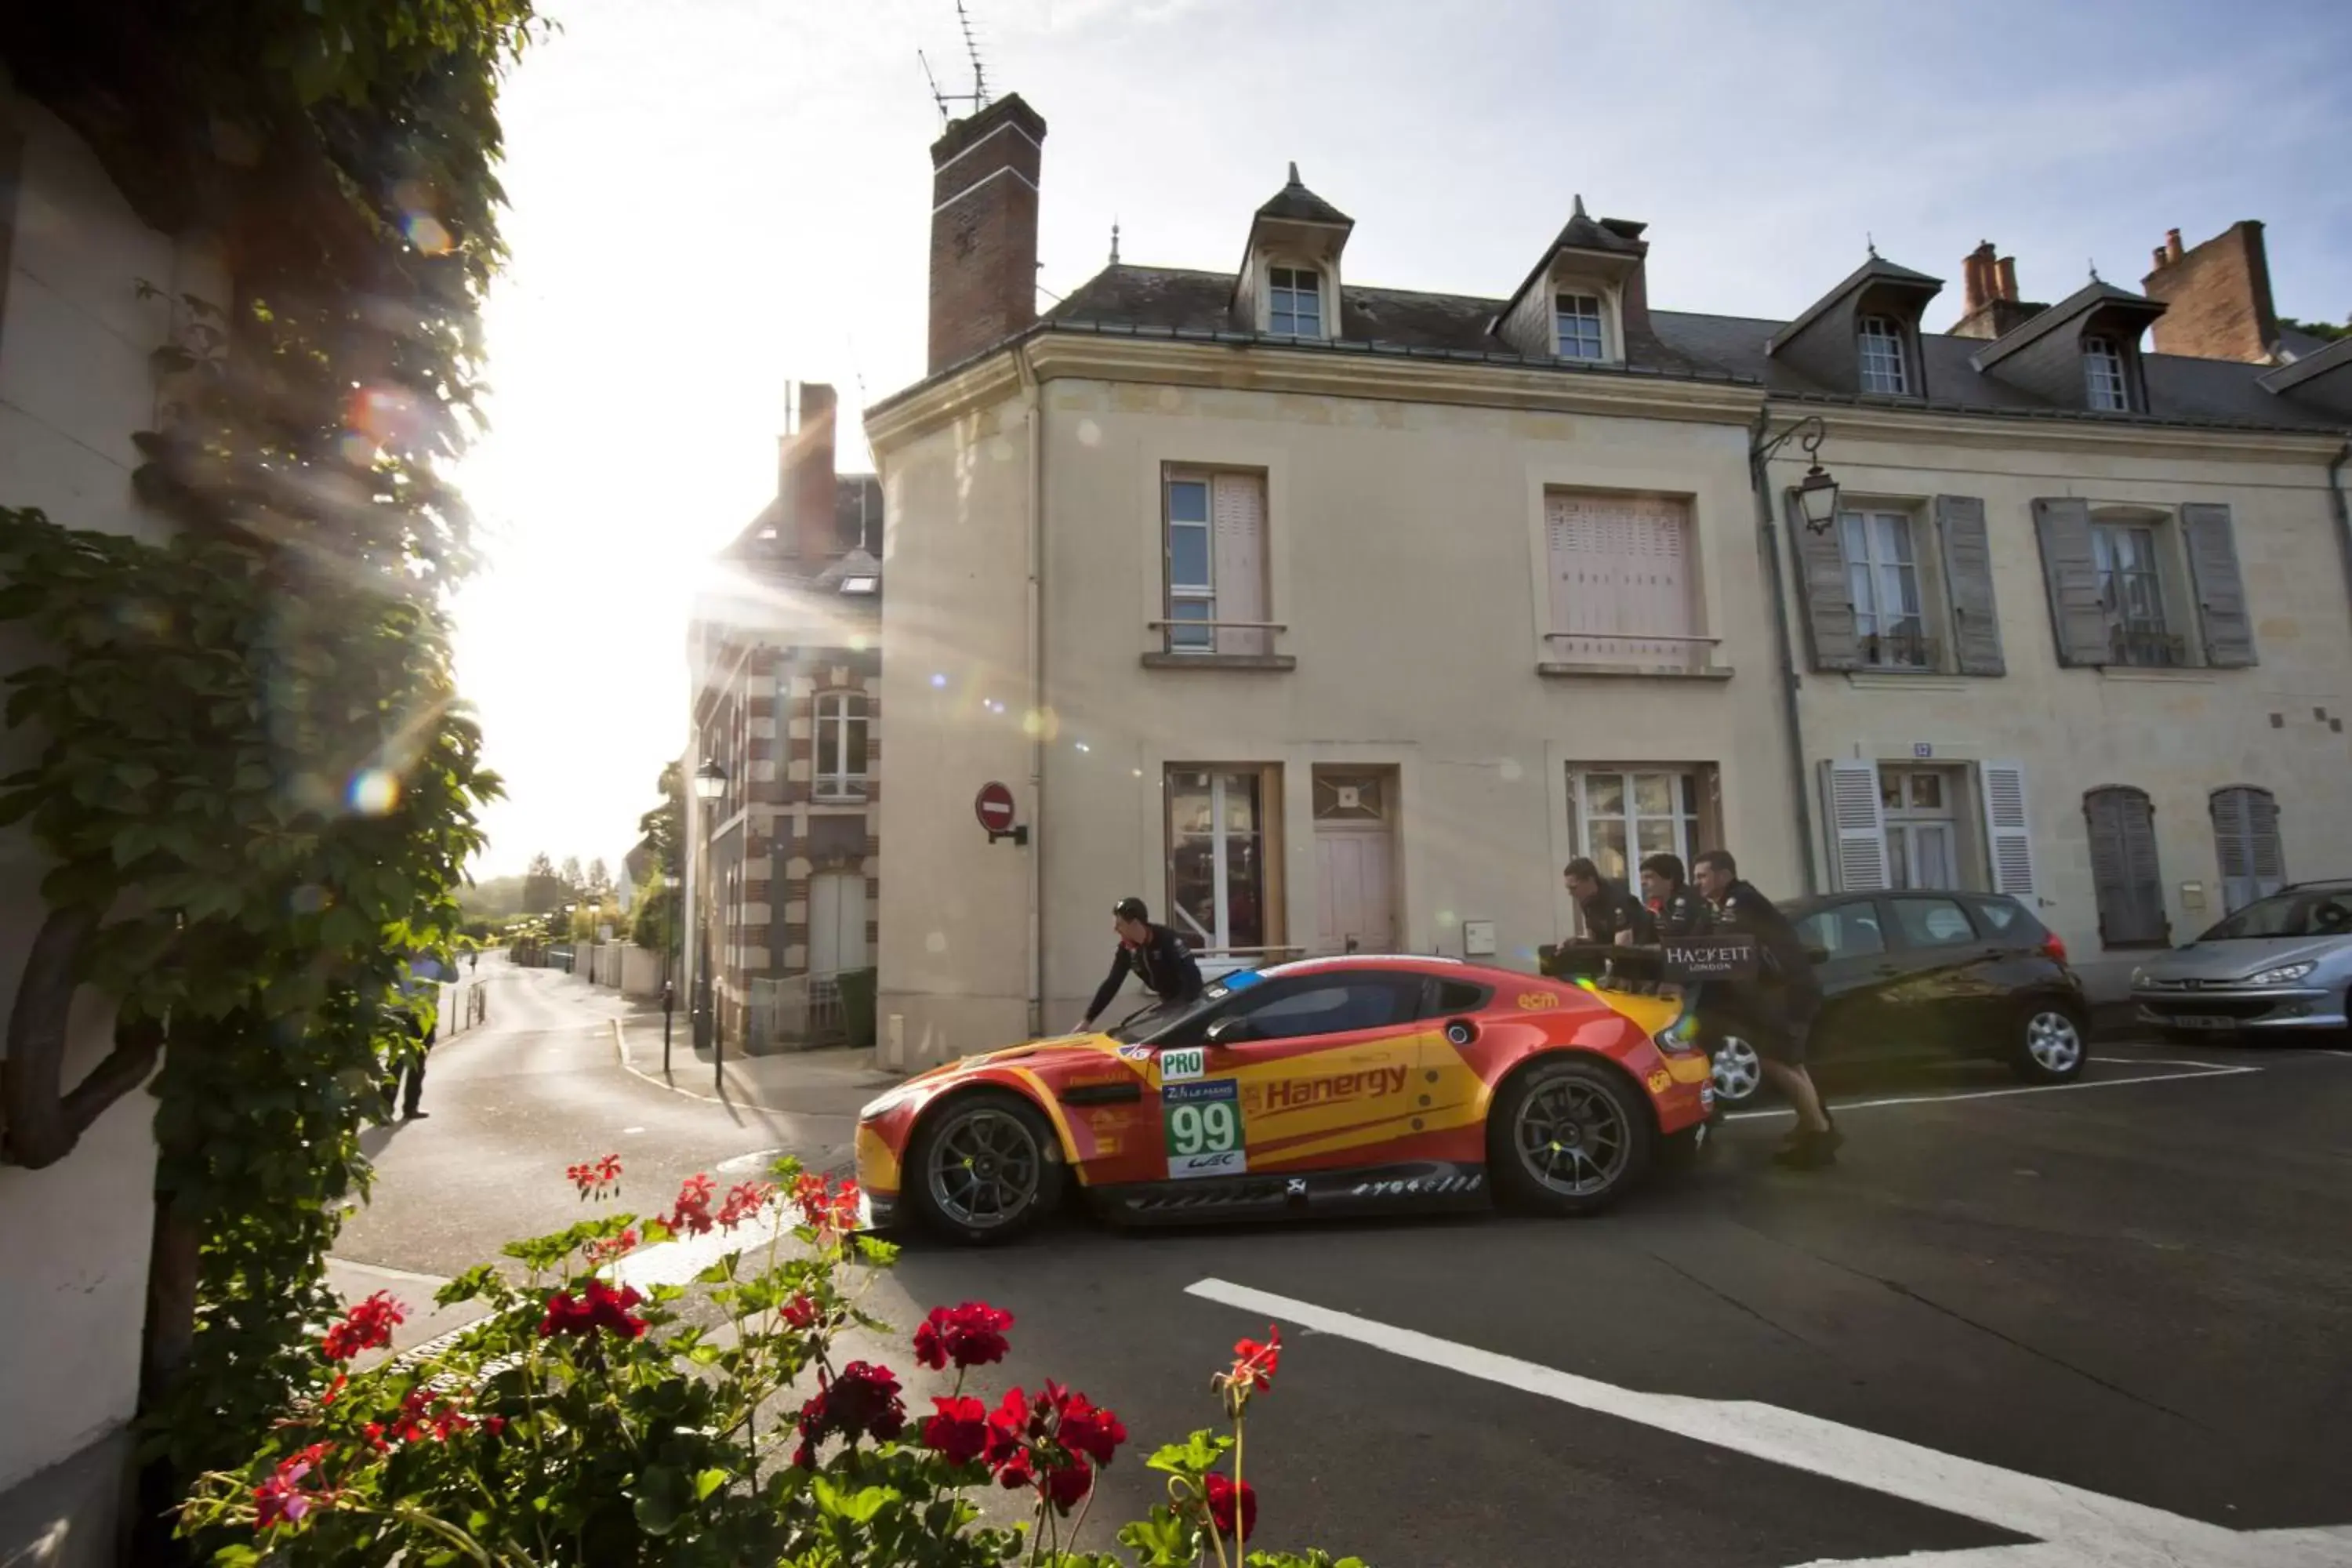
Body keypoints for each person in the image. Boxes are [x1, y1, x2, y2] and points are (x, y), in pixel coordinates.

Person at [1691, 849, 1838, 1167]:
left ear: (1723, 875)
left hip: (1788, 992)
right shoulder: (1733, 901)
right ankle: (1815, 1126)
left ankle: (1819, 1133)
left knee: (1775, 1060)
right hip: (1787, 991)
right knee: (1789, 1062)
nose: (1697, 882)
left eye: (1702, 875)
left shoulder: (1740, 901)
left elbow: (1723, 944)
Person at [1075, 898, 1204, 1034]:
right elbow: (1112, 983)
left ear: (1135, 924)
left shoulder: (1168, 940)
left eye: (1120, 924)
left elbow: (1194, 982)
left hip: (1190, 1006)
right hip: (1167, 1004)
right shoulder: (1127, 950)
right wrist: (1087, 1020)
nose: (1115, 929)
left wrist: (1171, 1011)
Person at [1639, 853, 1710, 939]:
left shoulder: (1687, 900)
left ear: (1669, 880)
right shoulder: (1656, 903)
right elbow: (1644, 937)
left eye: (1649, 877)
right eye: (1642, 878)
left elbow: (1676, 937)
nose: (1642, 883)